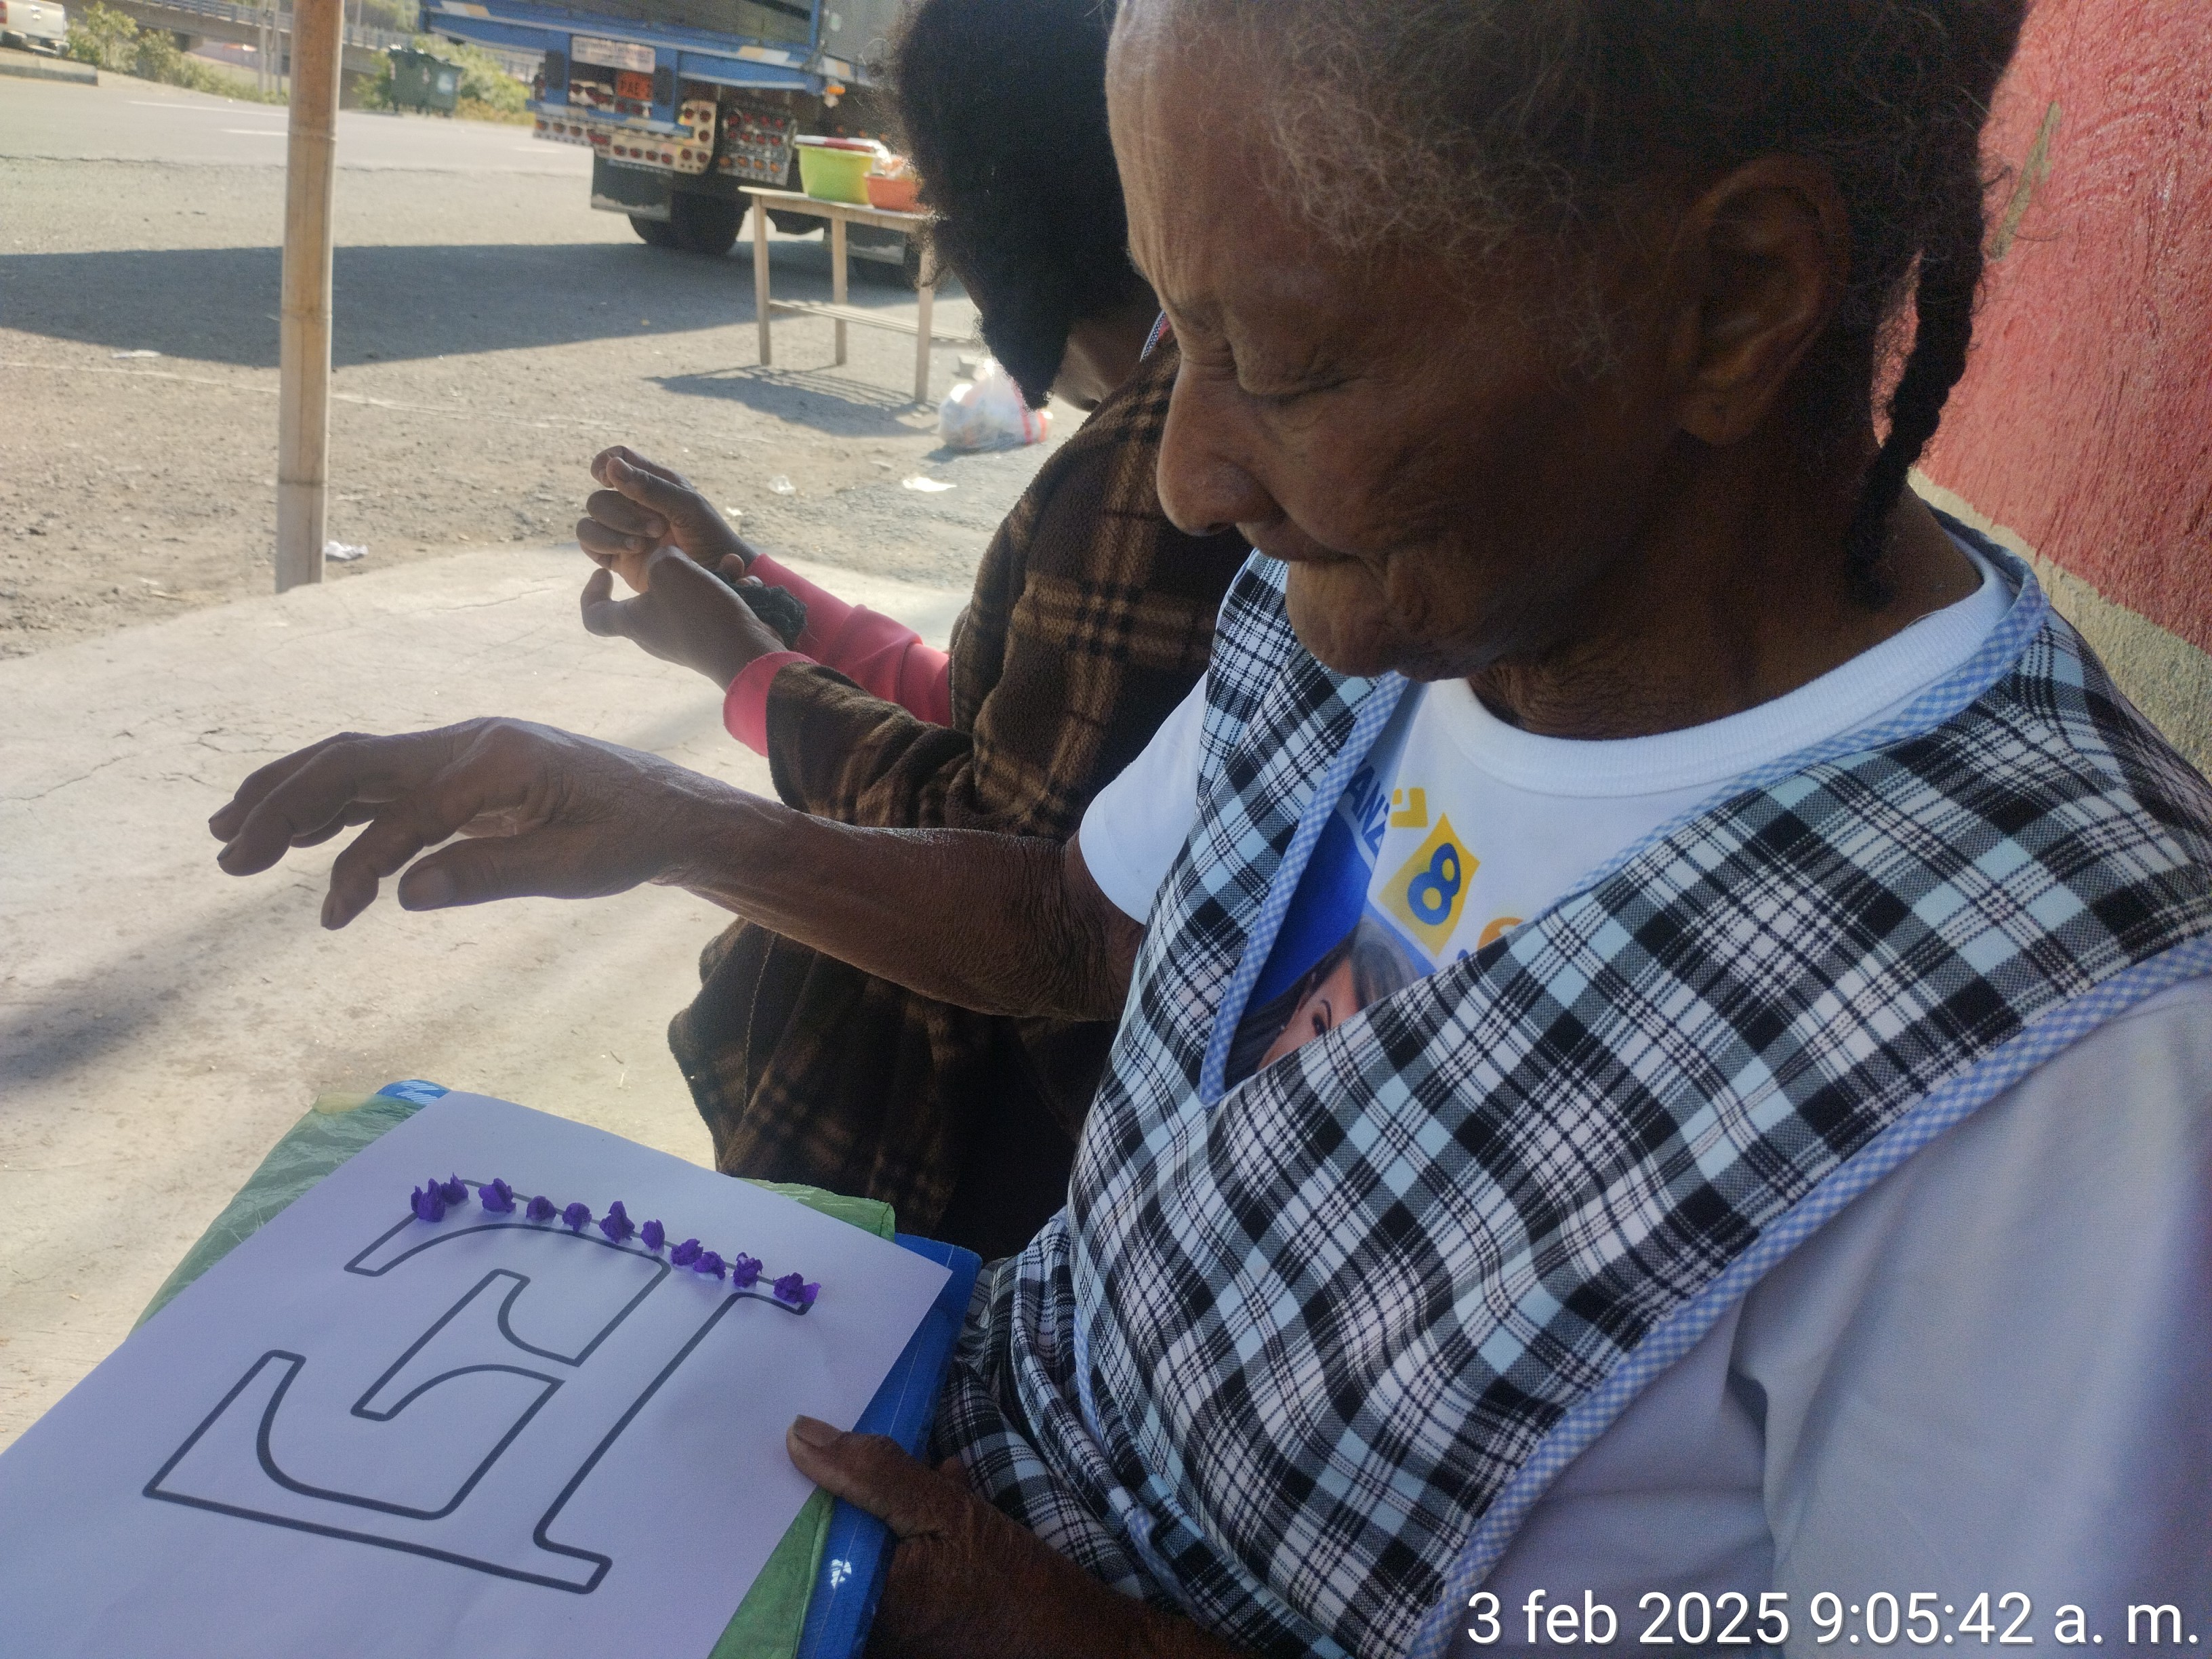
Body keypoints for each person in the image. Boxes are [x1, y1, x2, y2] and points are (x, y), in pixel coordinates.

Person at [209, 1, 2212, 1655]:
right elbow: (1086, 933)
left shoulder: (2077, 1063)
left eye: (1291, 363)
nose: (1186, 480)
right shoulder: (1393, 605)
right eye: (1180, 339)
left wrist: (1073, 1635)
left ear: (1734, 296)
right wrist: (652, 814)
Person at [564, 0, 1250, 1260]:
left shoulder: (1149, 466)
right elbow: (1000, 722)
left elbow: (1004, 860)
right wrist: (750, 588)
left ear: (998, 221)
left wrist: (737, 670)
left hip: (1013, 1157)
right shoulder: (1157, 425)